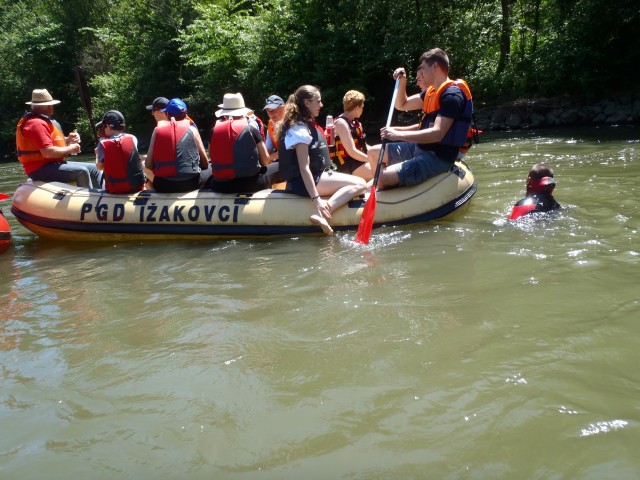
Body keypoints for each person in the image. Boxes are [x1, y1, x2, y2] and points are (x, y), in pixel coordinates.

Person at [371, 48, 474, 189]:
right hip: (420, 147)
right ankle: (383, 186)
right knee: (373, 152)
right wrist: (402, 81)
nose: (422, 72)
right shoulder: (430, 92)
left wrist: (398, 135)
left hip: (437, 157)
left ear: (435, 66)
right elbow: (402, 104)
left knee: (381, 177)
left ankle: (385, 185)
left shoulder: (452, 96)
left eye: (424, 68)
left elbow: (437, 133)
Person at [278, 85, 366, 235]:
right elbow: (304, 168)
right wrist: (317, 200)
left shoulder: (304, 125)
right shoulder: (299, 129)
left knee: (358, 182)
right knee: (361, 184)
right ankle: (322, 214)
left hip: (314, 177)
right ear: (307, 103)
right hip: (306, 182)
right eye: (318, 101)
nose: (321, 105)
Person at [16, 88, 102, 188]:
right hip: (39, 169)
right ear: (49, 107)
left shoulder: (41, 121)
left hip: (52, 164)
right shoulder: (36, 124)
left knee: (94, 169)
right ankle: (89, 199)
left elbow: (49, 143)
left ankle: (101, 196)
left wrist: (68, 140)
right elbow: (47, 152)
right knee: (81, 172)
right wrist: (71, 148)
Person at [207, 93, 277, 193]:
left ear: (224, 114)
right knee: (279, 166)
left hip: (219, 185)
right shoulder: (251, 130)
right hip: (250, 184)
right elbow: (265, 160)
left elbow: (212, 157)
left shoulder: (213, 131)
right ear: (243, 113)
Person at [144, 98, 210, 193]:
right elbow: (205, 164)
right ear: (185, 114)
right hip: (191, 183)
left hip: (163, 185)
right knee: (211, 170)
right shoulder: (193, 130)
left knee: (147, 175)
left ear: (167, 114)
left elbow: (148, 164)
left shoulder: (157, 130)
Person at [94, 110, 145, 194]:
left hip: (116, 189)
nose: (103, 129)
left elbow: (100, 167)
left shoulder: (102, 144)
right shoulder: (132, 138)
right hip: (137, 186)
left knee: (100, 175)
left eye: (104, 126)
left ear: (109, 127)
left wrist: (97, 155)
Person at [331, 90, 375, 181]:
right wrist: (371, 160)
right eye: (362, 107)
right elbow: (352, 152)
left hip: (356, 162)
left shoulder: (354, 123)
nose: (363, 109)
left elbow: (363, 146)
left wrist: (377, 154)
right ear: (357, 108)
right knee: (380, 172)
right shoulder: (341, 123)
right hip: (346, 166)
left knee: (383, 164)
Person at [263, 95, 285, 162]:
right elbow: (268, 149)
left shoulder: (292, 123)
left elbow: (287, 152)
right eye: (268, 111)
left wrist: (268, 158)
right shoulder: (271, 124)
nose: (271, 114)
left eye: (274, 110)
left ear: (284, 108)